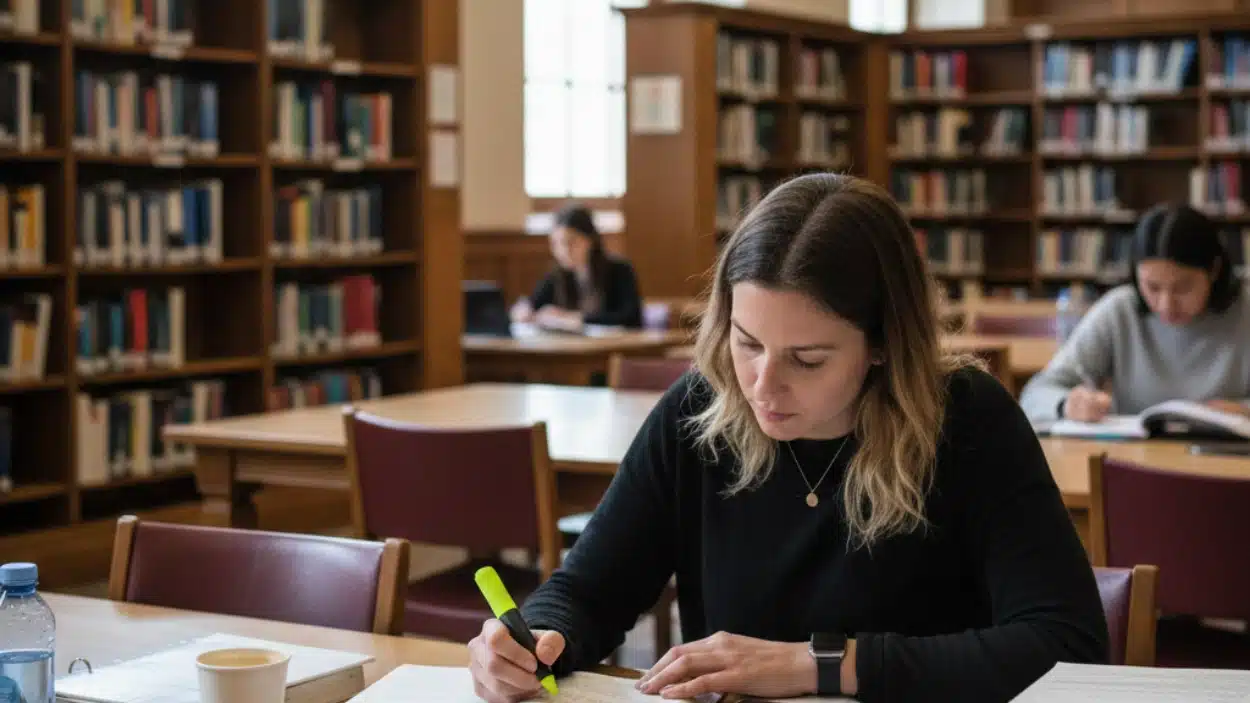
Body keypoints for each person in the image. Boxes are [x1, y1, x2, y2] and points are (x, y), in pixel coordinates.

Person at [468, 174, 1107, 703]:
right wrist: (536, 638)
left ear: (884, 344)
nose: (761, 387)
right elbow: (590, 589)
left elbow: (1065, 642)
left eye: (807, 359)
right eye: (748, 344)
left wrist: (822, 665)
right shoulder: (701, 407)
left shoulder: (967, 420)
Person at [1021, 203, 1250, 424]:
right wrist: (1066, 404)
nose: (1165, 305)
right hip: (1133, 458)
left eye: (1183, 288)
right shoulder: (1119, 310)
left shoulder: (1245, 312)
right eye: (1152, 287)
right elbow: (1036, 393)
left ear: (1214, 270)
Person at [510, 204, 644, 329]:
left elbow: (631, 318)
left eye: (571, 242)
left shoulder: (620, 270)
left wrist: (575, 318)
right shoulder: (556, 275)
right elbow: (533, 304)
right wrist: (523, 311)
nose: (564, 250)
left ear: (590, 240)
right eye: (557, 243)